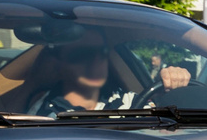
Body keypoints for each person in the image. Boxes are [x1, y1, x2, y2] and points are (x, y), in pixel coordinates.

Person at [15, 29, 190, 116]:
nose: (95, 61)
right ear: (61, 65)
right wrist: (31, 84)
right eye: (82, 54)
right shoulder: (45, 110)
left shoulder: (130, 102)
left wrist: (175, 86)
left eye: (101, 53)